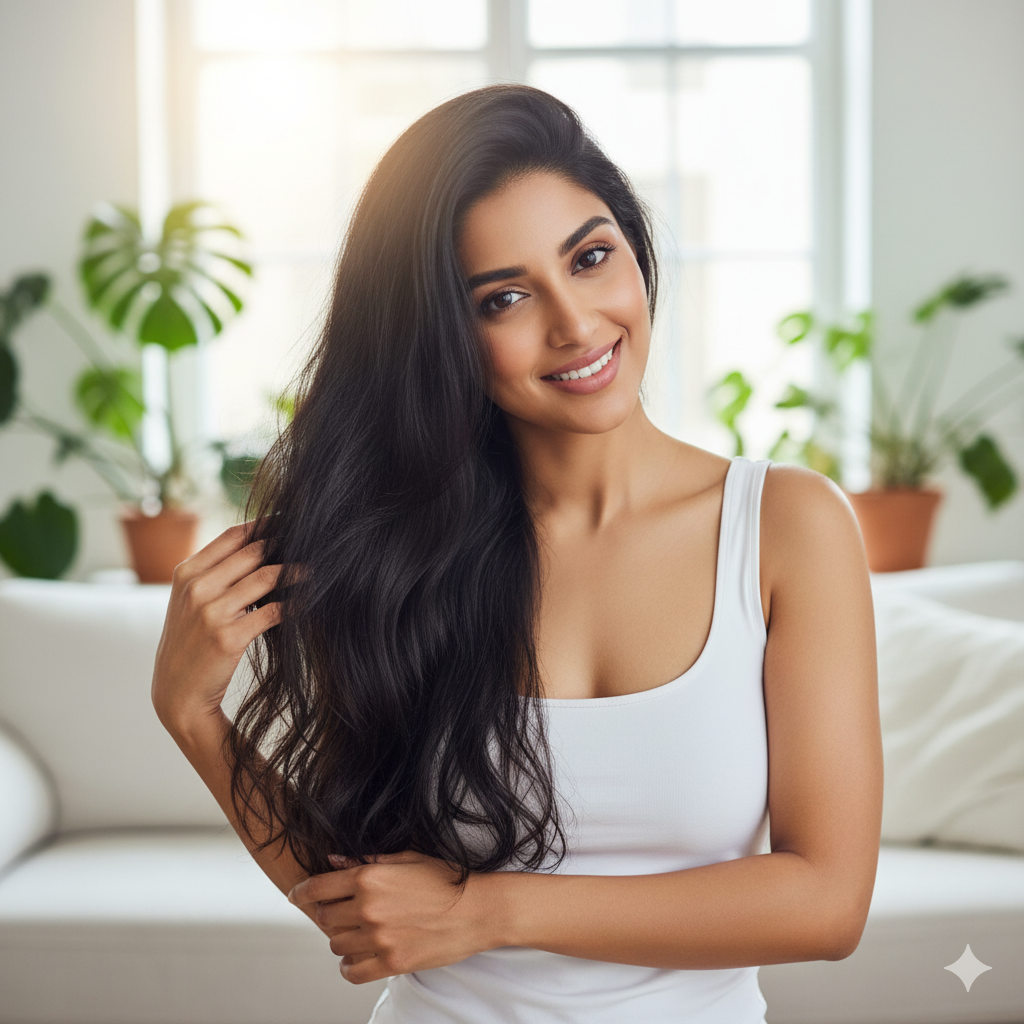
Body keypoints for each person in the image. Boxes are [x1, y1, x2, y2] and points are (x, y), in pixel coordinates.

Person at [152, 84, 882, 1024]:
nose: (576, 324)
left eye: (590, 257)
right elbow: (371, 914)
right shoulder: (399, 550)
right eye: (504, 297)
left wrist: (487, 913)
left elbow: (827, 903)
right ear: (441, 339)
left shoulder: (786, 525)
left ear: (634, 250)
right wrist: (191, 714)